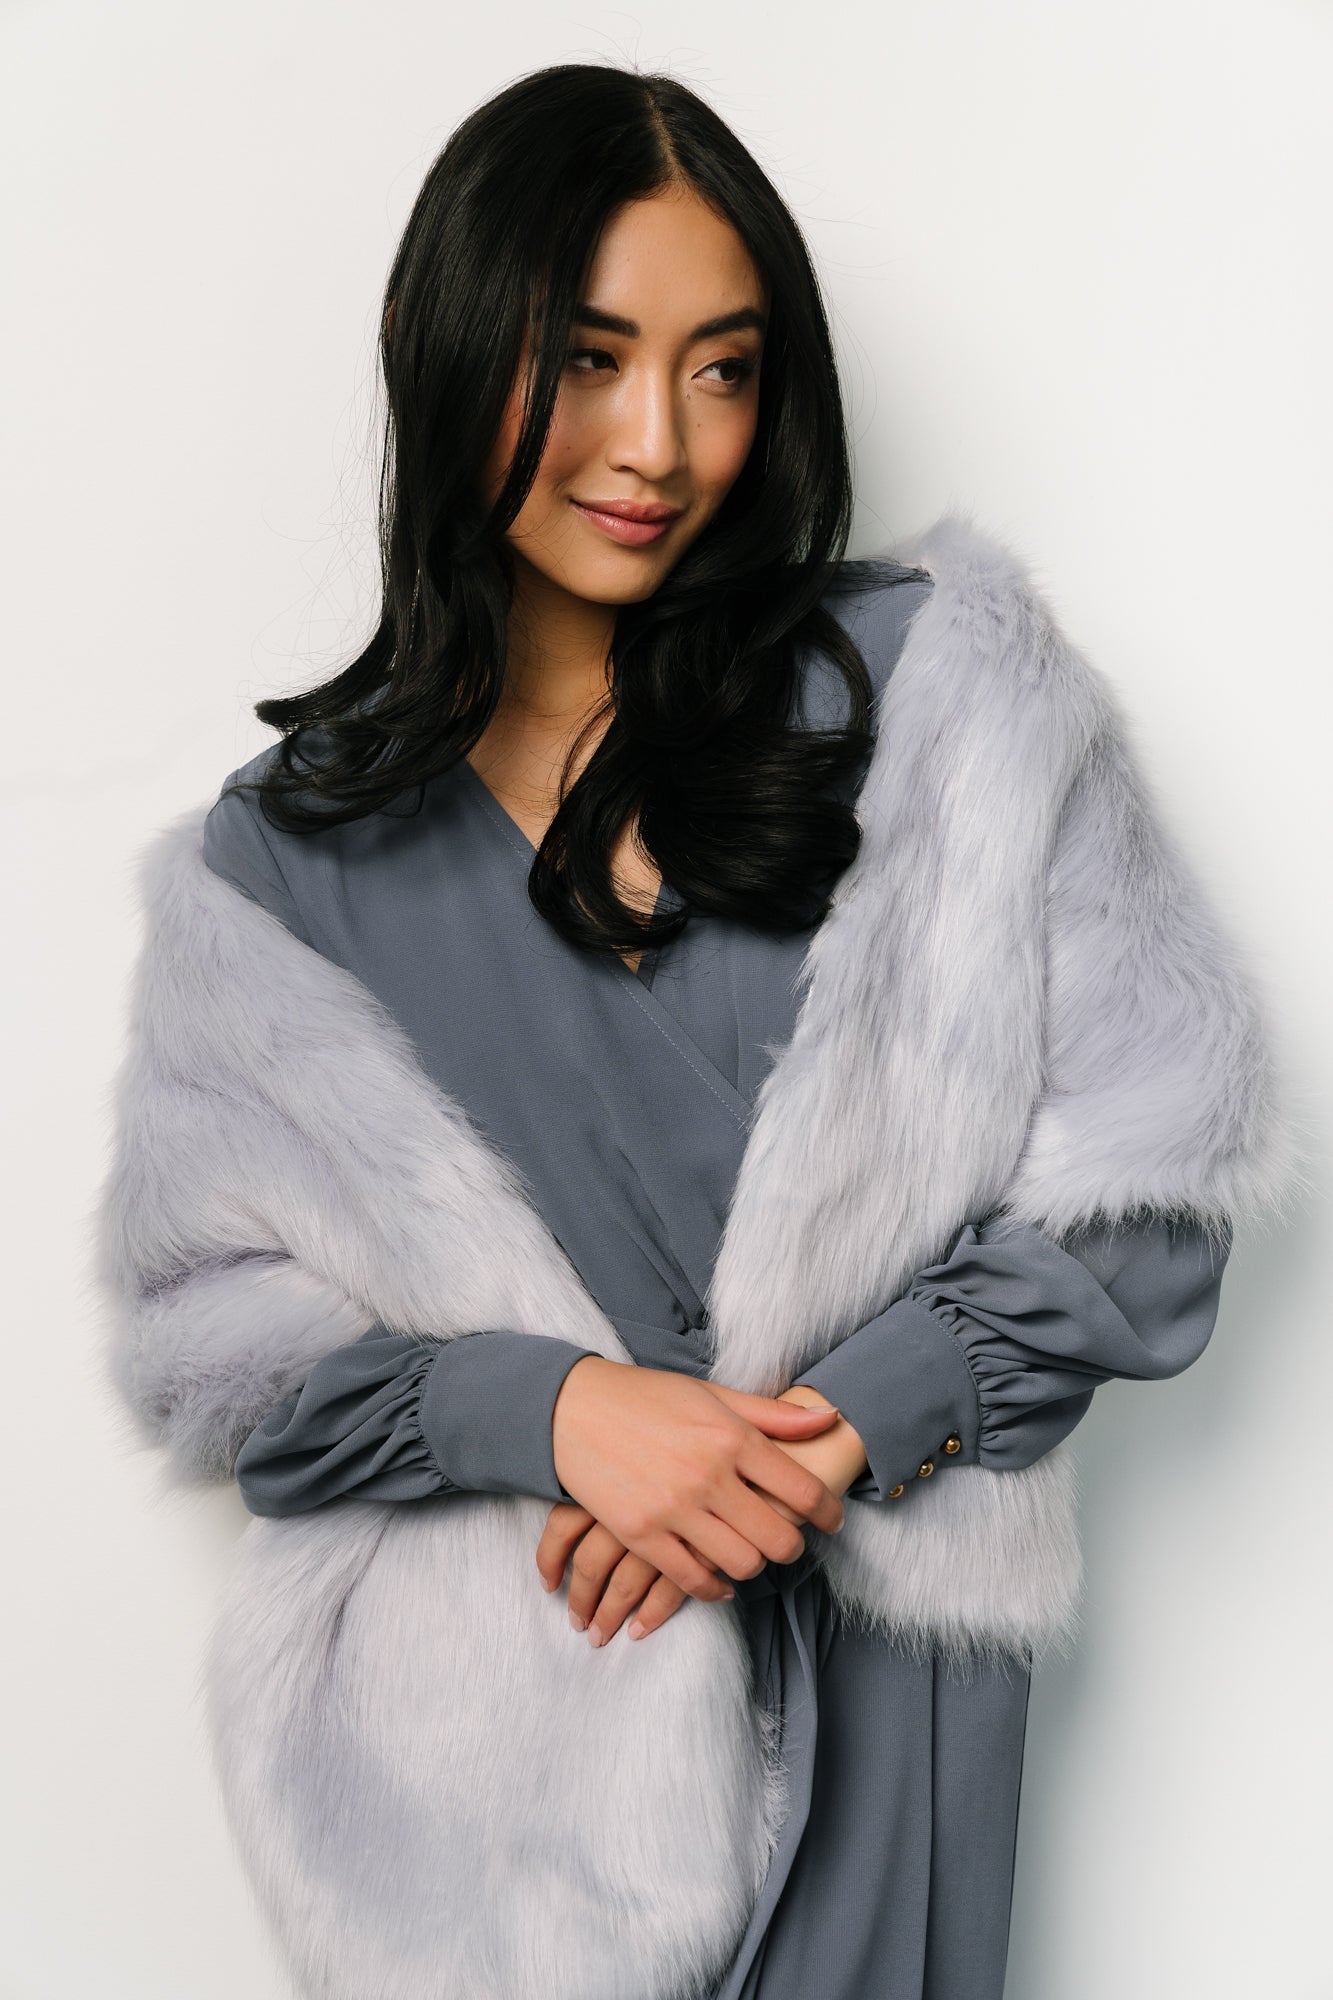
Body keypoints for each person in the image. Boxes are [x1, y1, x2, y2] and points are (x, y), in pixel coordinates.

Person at [95, 63, 1287, 2000]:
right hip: (493, 1797)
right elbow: (208, 1349)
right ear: (441, 339)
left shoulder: (945, 704)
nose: (657, 441)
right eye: (586, 358)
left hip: (882, 1713)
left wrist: (821, 1439)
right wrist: (561, 1412)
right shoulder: (285, 870)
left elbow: (1153, 1199)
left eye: (721, 368)